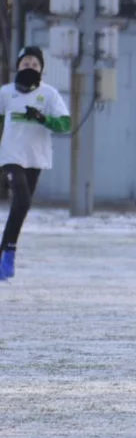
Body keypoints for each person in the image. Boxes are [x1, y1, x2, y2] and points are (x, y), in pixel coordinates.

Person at [0, 46, 71, 281]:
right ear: (18, 66)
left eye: (34, 65)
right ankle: (9, 253)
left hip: (35, 158)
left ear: (41, 69)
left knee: (21, 206)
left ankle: (5, 252)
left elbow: (65, 125)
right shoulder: (6, 93)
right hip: (11, 156)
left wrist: (42, 118)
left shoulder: (49, 94)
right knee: (22, 199)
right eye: (25, 64)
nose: (29, 67)